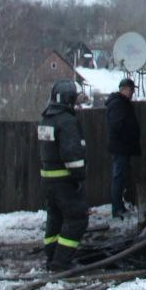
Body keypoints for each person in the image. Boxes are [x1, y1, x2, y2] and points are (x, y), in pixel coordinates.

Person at [38, 79, 88, 271]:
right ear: (69, 99)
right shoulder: (67, 121)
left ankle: (51, 257)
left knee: (55, 218)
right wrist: (79, 177)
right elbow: (72, 154)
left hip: (47, 180)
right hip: (65, 181)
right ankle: (61, 262)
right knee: (77, 219)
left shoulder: (46, 119)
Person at [106, 77, 142, 218]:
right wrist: (129, 139)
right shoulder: (118, 104)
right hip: (120, 148)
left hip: (122, 147)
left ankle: (120, 205)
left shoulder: (121, 103)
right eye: (132, 90)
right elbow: (118, 126)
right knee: (118, 177)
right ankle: (117, 208)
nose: (133, 93)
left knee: (121, 177)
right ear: (125, 89)